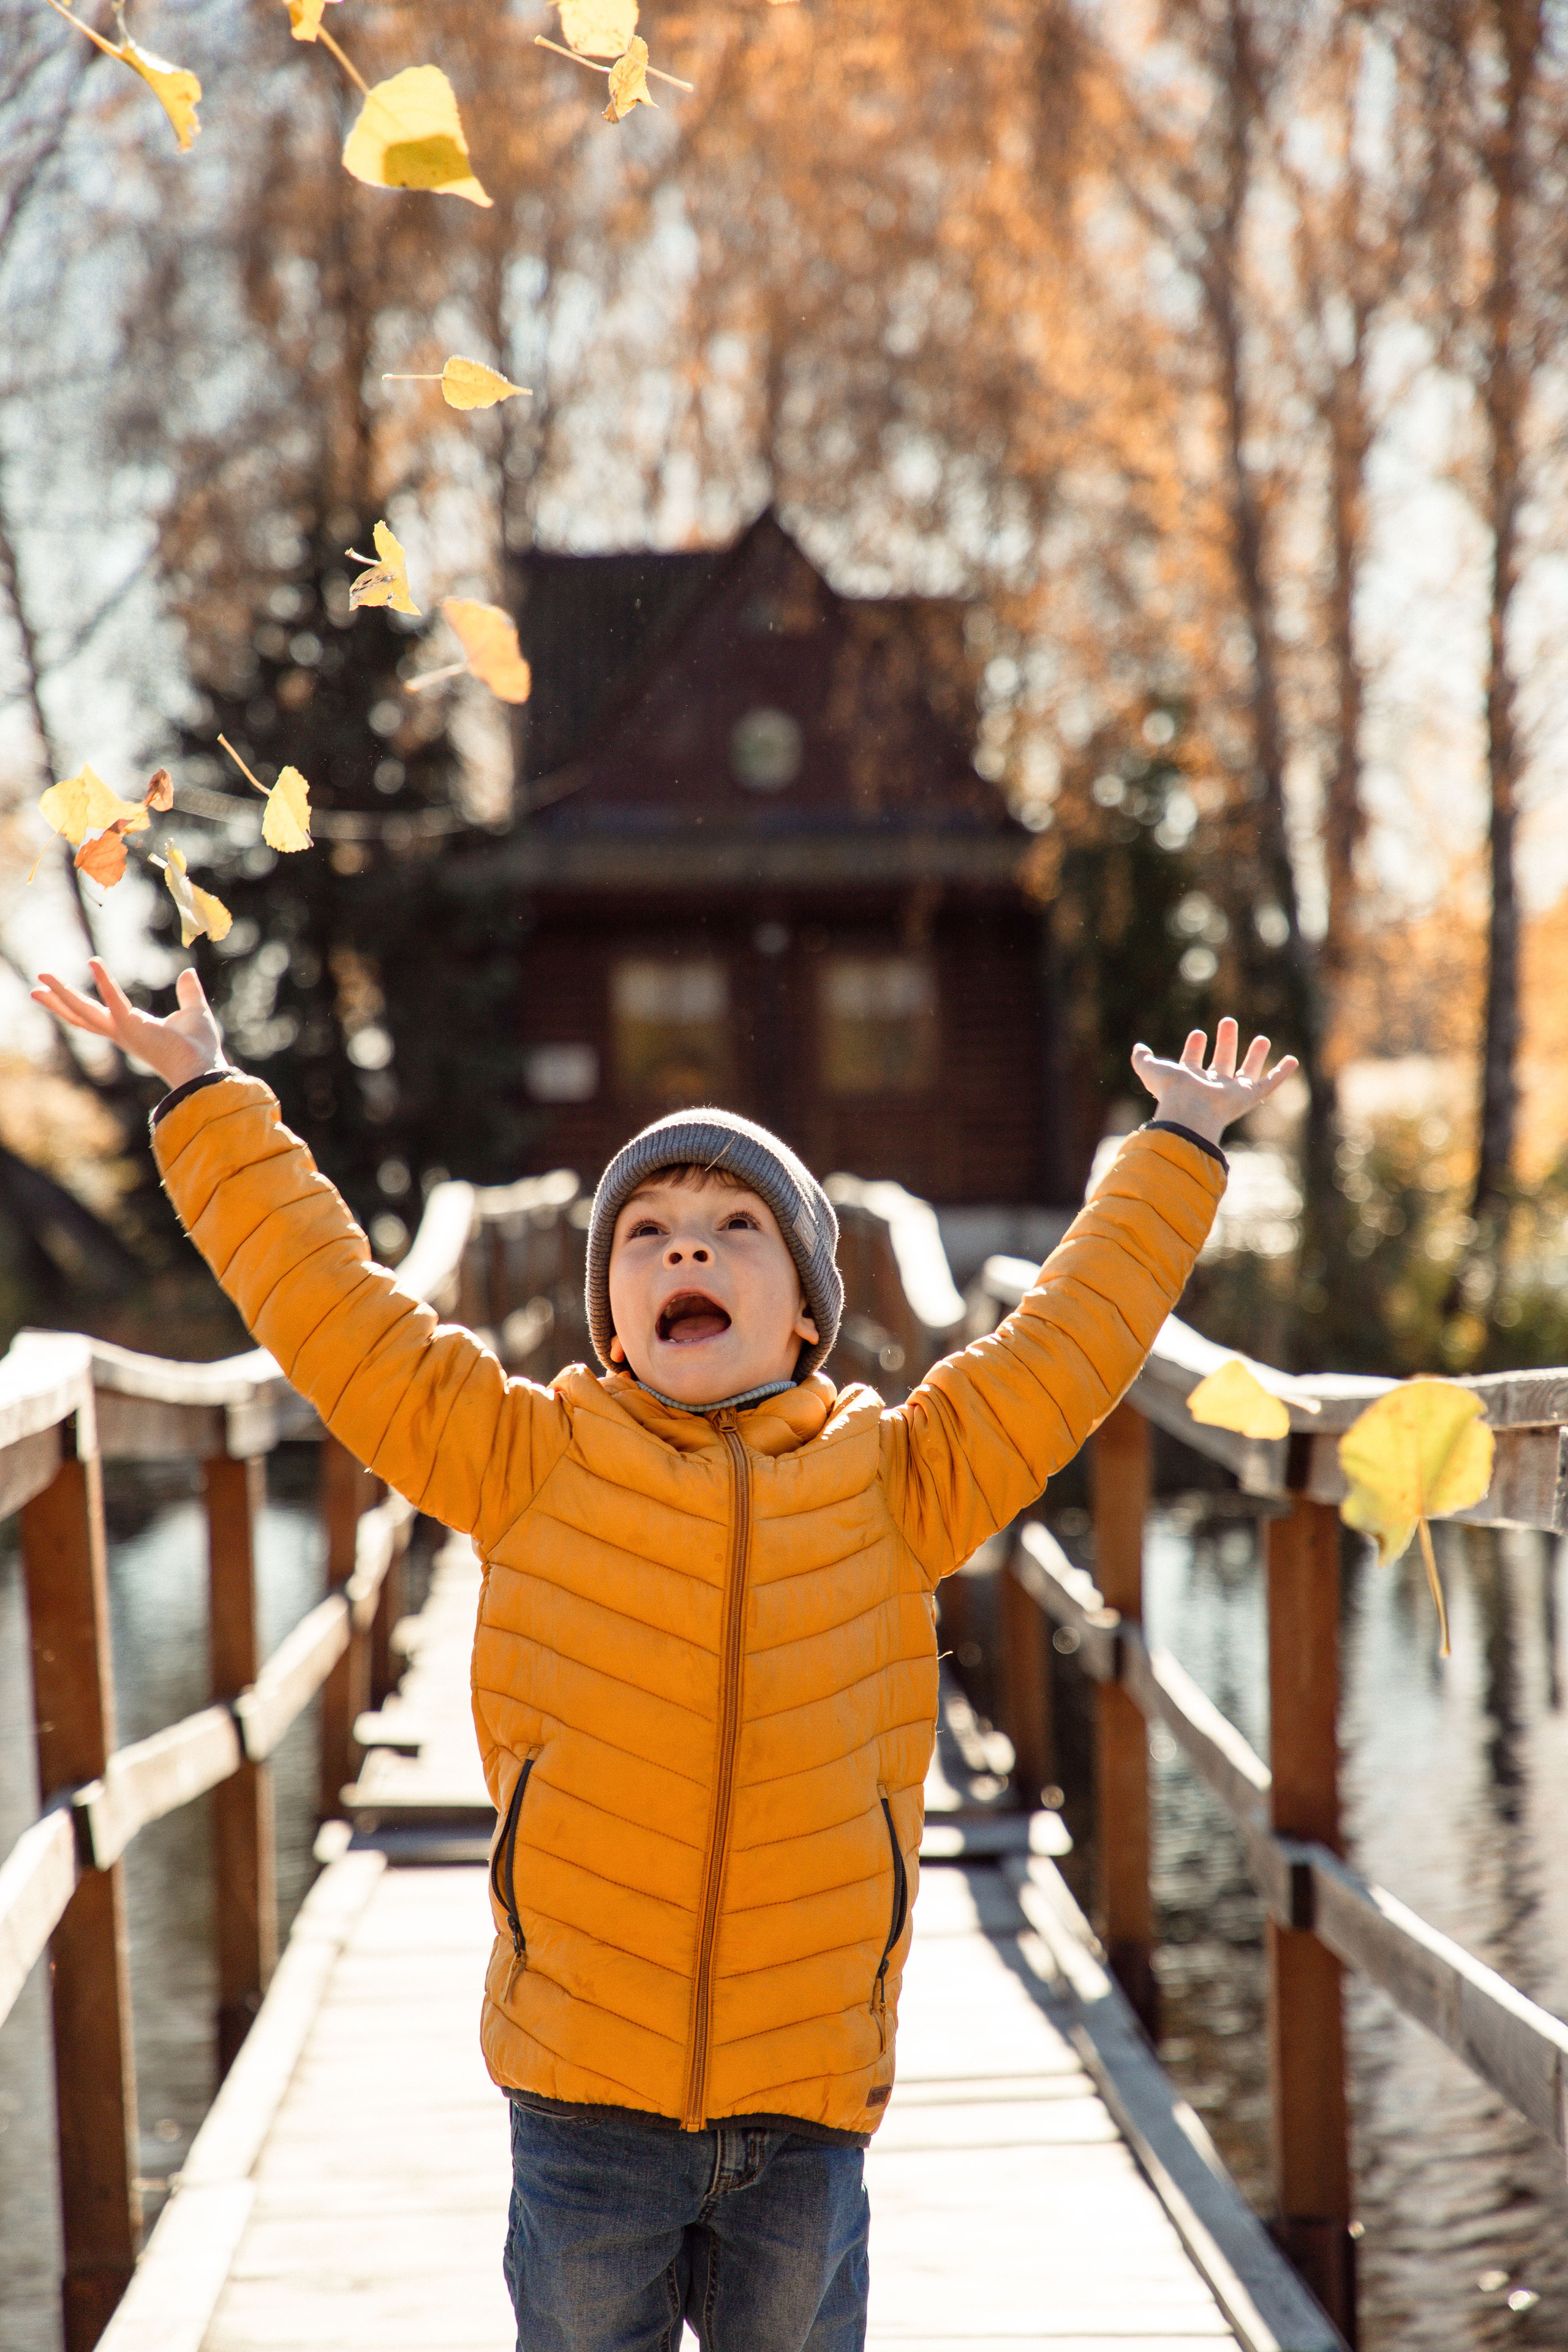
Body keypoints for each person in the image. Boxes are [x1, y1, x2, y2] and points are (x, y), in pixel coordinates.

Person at [34, 957, 1295, 2352]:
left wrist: (1175, 1150)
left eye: (733, 1225)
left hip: (807, 2094)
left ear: (812, 1310)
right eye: (646, 1232)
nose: (686, 1250)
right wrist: (206, 1097)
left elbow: (1066, 1344)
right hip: (585, 2094)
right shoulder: (523, 1458)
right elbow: (335, 1313)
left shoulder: (900, 1481)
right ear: (610, 1318)